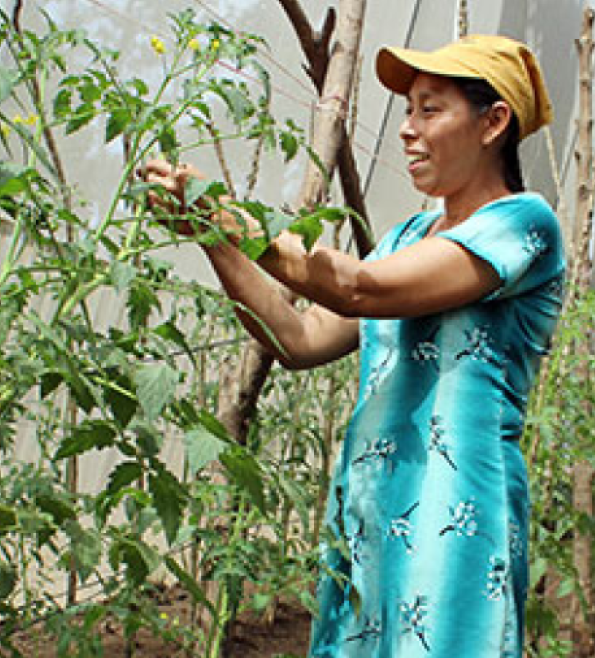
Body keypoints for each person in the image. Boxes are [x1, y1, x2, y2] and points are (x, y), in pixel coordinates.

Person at [142, 35, 561, 657]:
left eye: (430, 109)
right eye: (408, 110)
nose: (407, 129)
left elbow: (360, 290)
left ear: (493, 122)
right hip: (370, 514)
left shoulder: (524, 225)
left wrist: (234, 219)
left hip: (454, 519)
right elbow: (300, 336)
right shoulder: (407, 236)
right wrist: (213, 236)